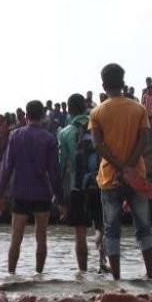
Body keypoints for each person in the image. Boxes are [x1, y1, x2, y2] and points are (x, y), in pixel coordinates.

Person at [89, 63, 152, 280]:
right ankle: (150, 274)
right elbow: (145, 140)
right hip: (136, 177)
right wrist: (128, 167)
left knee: (111, 230)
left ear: (104, 85)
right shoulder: (138, 109)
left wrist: (119, 167)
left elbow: (99, 146)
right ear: (123, 82)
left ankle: (116, 278)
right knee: (143, 226)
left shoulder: (97, 112)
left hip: (109, 178)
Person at [0, 100, 66, 274]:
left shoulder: (15, 136)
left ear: (26, 116)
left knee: (16, 238)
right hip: (42, 193)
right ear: (43, 117)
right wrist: (61, 200)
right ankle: (39, 276)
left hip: (20, 193)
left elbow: (6, 167)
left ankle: (11, 275)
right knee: (41, 238)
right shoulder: (49, 138)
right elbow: (54, 173)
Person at [57, 93, 91, 271]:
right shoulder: (97, 125)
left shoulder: (64, 132)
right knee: (104, 228)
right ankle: (106, 266)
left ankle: (83, 273)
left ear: (69, 110)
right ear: (86, 107)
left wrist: (58, 194)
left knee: (80, 234)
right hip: (101, 182)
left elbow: (62, 164)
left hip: (77, 186)